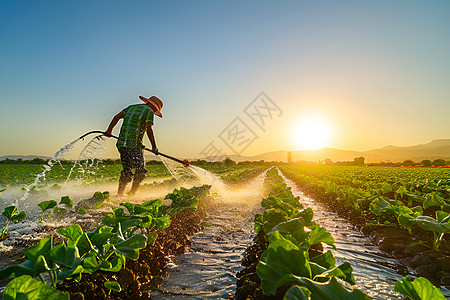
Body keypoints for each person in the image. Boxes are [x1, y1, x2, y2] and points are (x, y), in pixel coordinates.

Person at [104, 96, 163, 196]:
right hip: (134, 145)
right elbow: (149, 128)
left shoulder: (131, 107)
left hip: (121, 144)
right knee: (140, 170)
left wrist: (109, 130)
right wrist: (154, 146)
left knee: (127, 170)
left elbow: (116, 117)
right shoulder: (149, 111)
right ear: (154, 108)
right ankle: (132, 193)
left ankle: (120, 194)